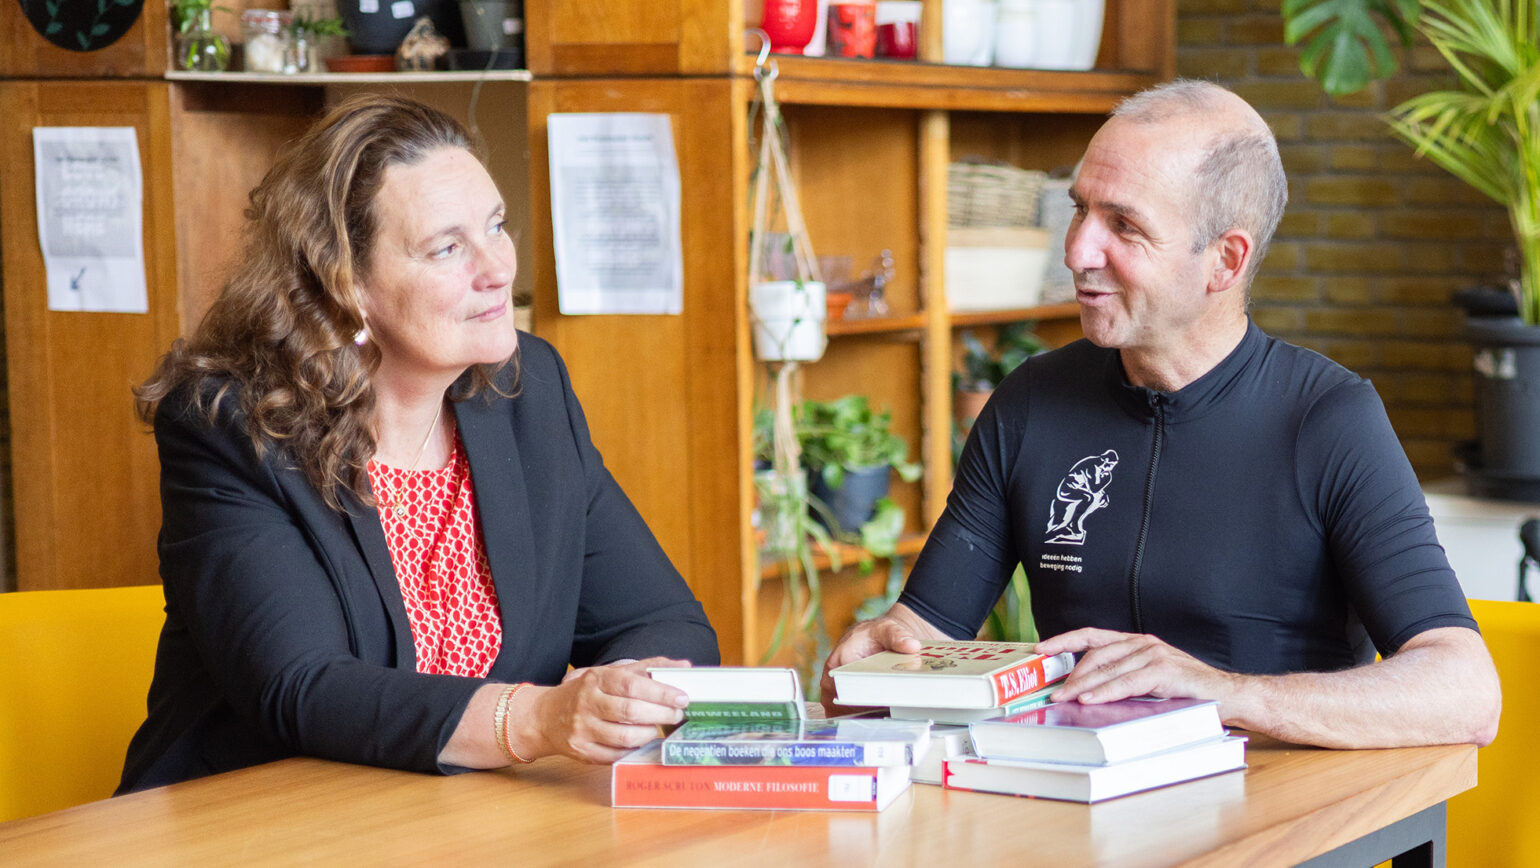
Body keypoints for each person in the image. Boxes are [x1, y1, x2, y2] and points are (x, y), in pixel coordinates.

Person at [823, 80, 1501, 749]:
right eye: (1079, 209)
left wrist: (1227, 693)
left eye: (1125, 225)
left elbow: (1465, 692)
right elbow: (928, 629)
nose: (1077, 252)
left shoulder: (1327, 419)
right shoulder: (1030, 404)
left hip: (1279, 829)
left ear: (1224, 262)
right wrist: (883, 655)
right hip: (1079, 814)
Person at [119, 95, 719, 792]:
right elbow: (301, 687)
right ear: (346, 287)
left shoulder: (527, 389)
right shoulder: (231, 421)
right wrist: (537, 719)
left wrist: (625, 695)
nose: (496, 267)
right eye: (447, 248)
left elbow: (663, 620)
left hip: (457, 825)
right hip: (256, 826)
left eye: (495, 226)